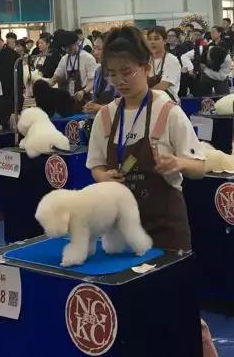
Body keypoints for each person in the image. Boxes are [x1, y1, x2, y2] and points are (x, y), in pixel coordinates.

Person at [86, 26, 205, 251]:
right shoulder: (105, 116)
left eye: (127, 72)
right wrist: (103, 177)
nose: (119, 81)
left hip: (165, 230)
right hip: (119, 232)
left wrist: (179, 163)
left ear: (146, 68)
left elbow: (200, 167)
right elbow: (97, 165)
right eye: (112, 74)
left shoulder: (168, 112)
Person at [50, 30, 97, 111]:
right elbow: (56, 77)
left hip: (86, 98)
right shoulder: (64, 59)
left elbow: (93, 81)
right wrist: (46, 85)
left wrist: (84, 91)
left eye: (69, 47)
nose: (67, 50)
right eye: (65, 48)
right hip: (70, 99)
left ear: (76, 43)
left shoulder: (87, 58)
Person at [145, 27, 181, 102]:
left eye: (156, 39)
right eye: (149, 39)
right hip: (149, 102)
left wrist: (142, 96)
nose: (152, 42)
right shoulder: (146, 60)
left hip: (168, 103)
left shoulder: (172, 60)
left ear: (165, 40)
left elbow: (163, 85)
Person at [86, 35, 117, 113]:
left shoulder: (119, 73)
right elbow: (95, 98)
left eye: (99, 49)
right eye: (94, 48)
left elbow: (125, 104)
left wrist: (101, 108)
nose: (95, 53)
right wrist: (91, 104)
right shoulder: (98, 71)